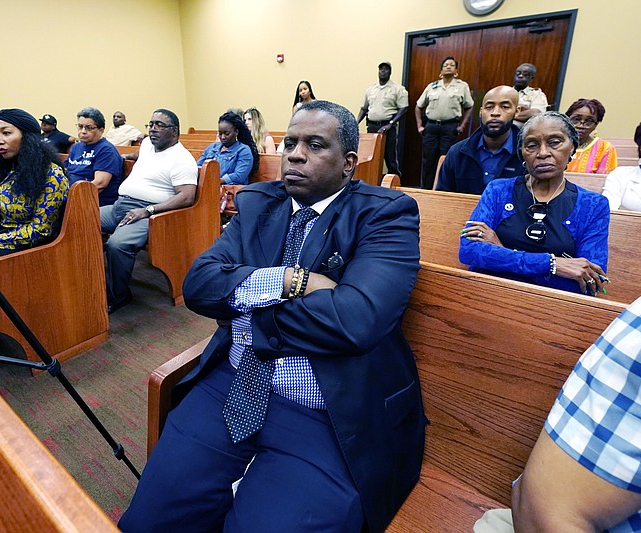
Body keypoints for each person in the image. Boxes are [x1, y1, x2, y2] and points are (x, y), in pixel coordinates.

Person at [119, 100, 425, 532]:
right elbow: (200, 286)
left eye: (315, 145)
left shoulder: (385, 214)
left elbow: (356, 321)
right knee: (151, 519)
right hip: (236, 381)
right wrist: (288, 280)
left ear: (349, 164)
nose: (295, 154)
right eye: (292, 142)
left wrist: (247, 305)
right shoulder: (260, 202)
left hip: (324, 407)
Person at [512, 266, 641, 532]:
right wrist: (552, 263)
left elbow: (594, 275)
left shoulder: (591, 221)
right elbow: (471, 251)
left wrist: (511, 252)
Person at [459, 111, 610, 296]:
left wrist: (501, 251)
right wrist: (553, 264)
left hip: (552, 307)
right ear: (521, 154)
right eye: (531, 145)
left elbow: (588, 278)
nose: (543, 153)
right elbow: (469, 251)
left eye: (555, 142)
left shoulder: (594, 205)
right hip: (489, 294)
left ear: (572, 147)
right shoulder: (498, 190)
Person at [100, 108, 198, 313]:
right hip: (120, 206)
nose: (153, 129)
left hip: (149, 214)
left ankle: (119, 295)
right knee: (80, 221)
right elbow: (137, 155)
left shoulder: (182, 158)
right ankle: (92, 280)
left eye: (159, 125)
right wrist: (123, 156)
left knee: (118, 244)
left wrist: (148, 210)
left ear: (174, 131)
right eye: (151, 124)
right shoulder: (146, 145)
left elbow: (186, 197)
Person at [0, 108, 68, 286]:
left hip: (24, 247)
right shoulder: (6, 167)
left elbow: (39, 231)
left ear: (28, 136)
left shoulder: (52, 174)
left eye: (6, 133)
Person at [436, 85, 523, 194]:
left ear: (517, 111)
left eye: (505, 107)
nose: (495, 113)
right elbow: (442, 198)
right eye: (489, 107)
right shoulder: (457, 153)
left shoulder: (527, 154)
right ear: (481, 112)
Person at [414, 56, 474, 189]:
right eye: (446, 64)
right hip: (431, 127)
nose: (448, 66)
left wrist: (462, 125)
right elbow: (418, 106)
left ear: (456, 71)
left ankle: (441, 189)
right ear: (440, 71)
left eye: (452, 65)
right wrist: (419, 125)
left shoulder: (462, 86)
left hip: (449, 127)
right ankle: (426, 189)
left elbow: (469, 106)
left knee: (446, 159)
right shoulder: (432, 86)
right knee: (428, 160)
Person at [357, 61, 409, 176]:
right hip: (372, 126)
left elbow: (404, 108)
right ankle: (372, 181)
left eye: (386, 69)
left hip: (387, 127)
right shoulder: (371, 89)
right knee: (371, 157)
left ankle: (394, 184)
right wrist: (356, 123)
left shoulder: (397, 89)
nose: (383, 71)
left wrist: (391, 123)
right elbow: (364, 108)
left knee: (390, 158)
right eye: (381, 69)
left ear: (390, 72)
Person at [65, 107, 124, 207]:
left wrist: (70, 196)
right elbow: (65, 171)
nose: (83, 131)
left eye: (89, 128)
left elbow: (99, 184)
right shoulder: (76, 147)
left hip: (91, 202)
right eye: (80, 126)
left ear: (101, 130)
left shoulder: (106, 150)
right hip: (70, 196)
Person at [197, 112, 258, 185]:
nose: (223, 137)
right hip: (207, 186)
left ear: (236, 132)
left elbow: (239, 176)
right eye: (220, 133)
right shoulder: (212, 147)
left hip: (229, 191)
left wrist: (216, 181)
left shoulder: (243, 150)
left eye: (227, 134)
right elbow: (198, 167)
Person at [563, 99, 617, 174]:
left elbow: (602, 181)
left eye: (589, 121)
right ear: (567, 119)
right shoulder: (556, 143)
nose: (581, 125)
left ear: (596, 124)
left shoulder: (604, 148)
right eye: (576, 119)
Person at [512, 64, 548, 128]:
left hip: (521, 132)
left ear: (531, 78)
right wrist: (523, 112)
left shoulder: (537, 94)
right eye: (518, 73)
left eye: (525, 74)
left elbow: (535, 114)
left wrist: (506, 115)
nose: (520, 76)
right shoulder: (504, 92)